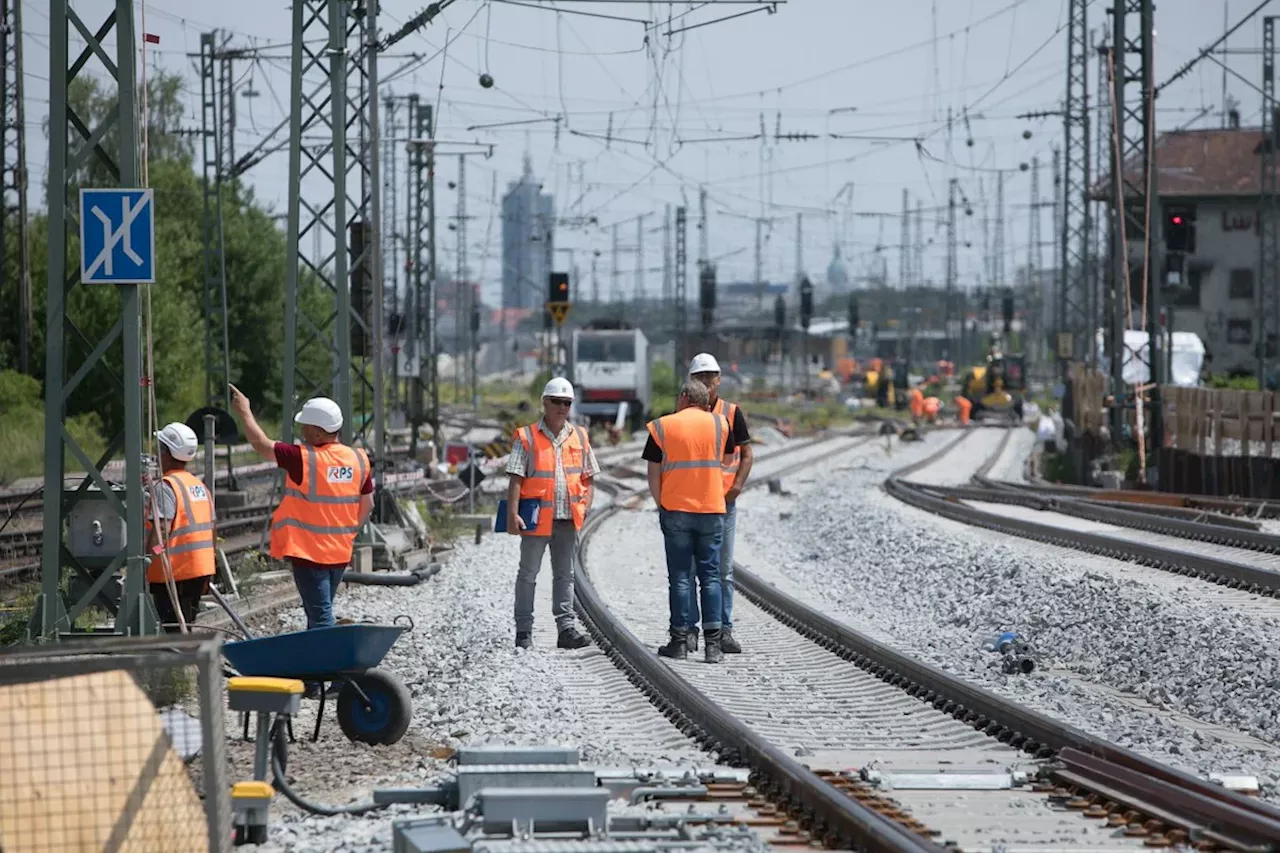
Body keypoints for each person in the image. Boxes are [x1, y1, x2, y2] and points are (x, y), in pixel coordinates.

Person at [229, 385, 374, 638]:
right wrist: (349, 533)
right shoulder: (359, 459)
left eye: (305, 427)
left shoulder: (303, 458)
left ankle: (336, 671)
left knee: (320, 619)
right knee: (318, 612)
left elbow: (260, 444)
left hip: (310, 555)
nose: (302, 431)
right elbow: (368, 504)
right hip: (340, 553)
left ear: (318, 433)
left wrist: (245, 412)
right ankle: (315, 677)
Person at [643, 379, 736, 664]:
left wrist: (662, 505)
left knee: (681, 577)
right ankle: (713, 647)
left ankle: (680, 642)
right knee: (710, 576)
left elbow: (653, 473)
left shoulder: (663, 426)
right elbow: (729, 457)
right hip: (712, 509)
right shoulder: (721, 424)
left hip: (677, 511)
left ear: (684, 397)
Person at [505, 377, 598, 651]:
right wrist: (513, 514)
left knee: (565, 574)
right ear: (544, 402)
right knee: (528, 574)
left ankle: (566, 630)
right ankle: (524, 631)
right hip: (535, 518)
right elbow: (515, 479)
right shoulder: (527, 436)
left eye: (566, 402)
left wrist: (585, 505)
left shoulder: (580, 436)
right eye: (556, 402)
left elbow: (589, 477)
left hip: (567, 518)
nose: (562, 407)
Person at [686, 352, 751, 654]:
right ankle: (689, 630)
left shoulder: (731, 412)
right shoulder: (684, 413)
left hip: (724, 502)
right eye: (700, 379)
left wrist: (736, 486)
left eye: (710, 379)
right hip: (693, 502)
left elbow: (747, 454)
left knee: (722, 571)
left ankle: (724, 631)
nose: (706, 384)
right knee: (690, 571)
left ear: (719, 380)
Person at [145, 422, 216, 632]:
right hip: (200, 568)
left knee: (174, 631)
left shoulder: (166, 487)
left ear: (166, 453)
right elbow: (212, 527)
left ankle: (181, 663)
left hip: (175, 571)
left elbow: (163, 530)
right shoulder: (198, 485)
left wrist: (150, 556)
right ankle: (187, 661)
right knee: (186, 626)